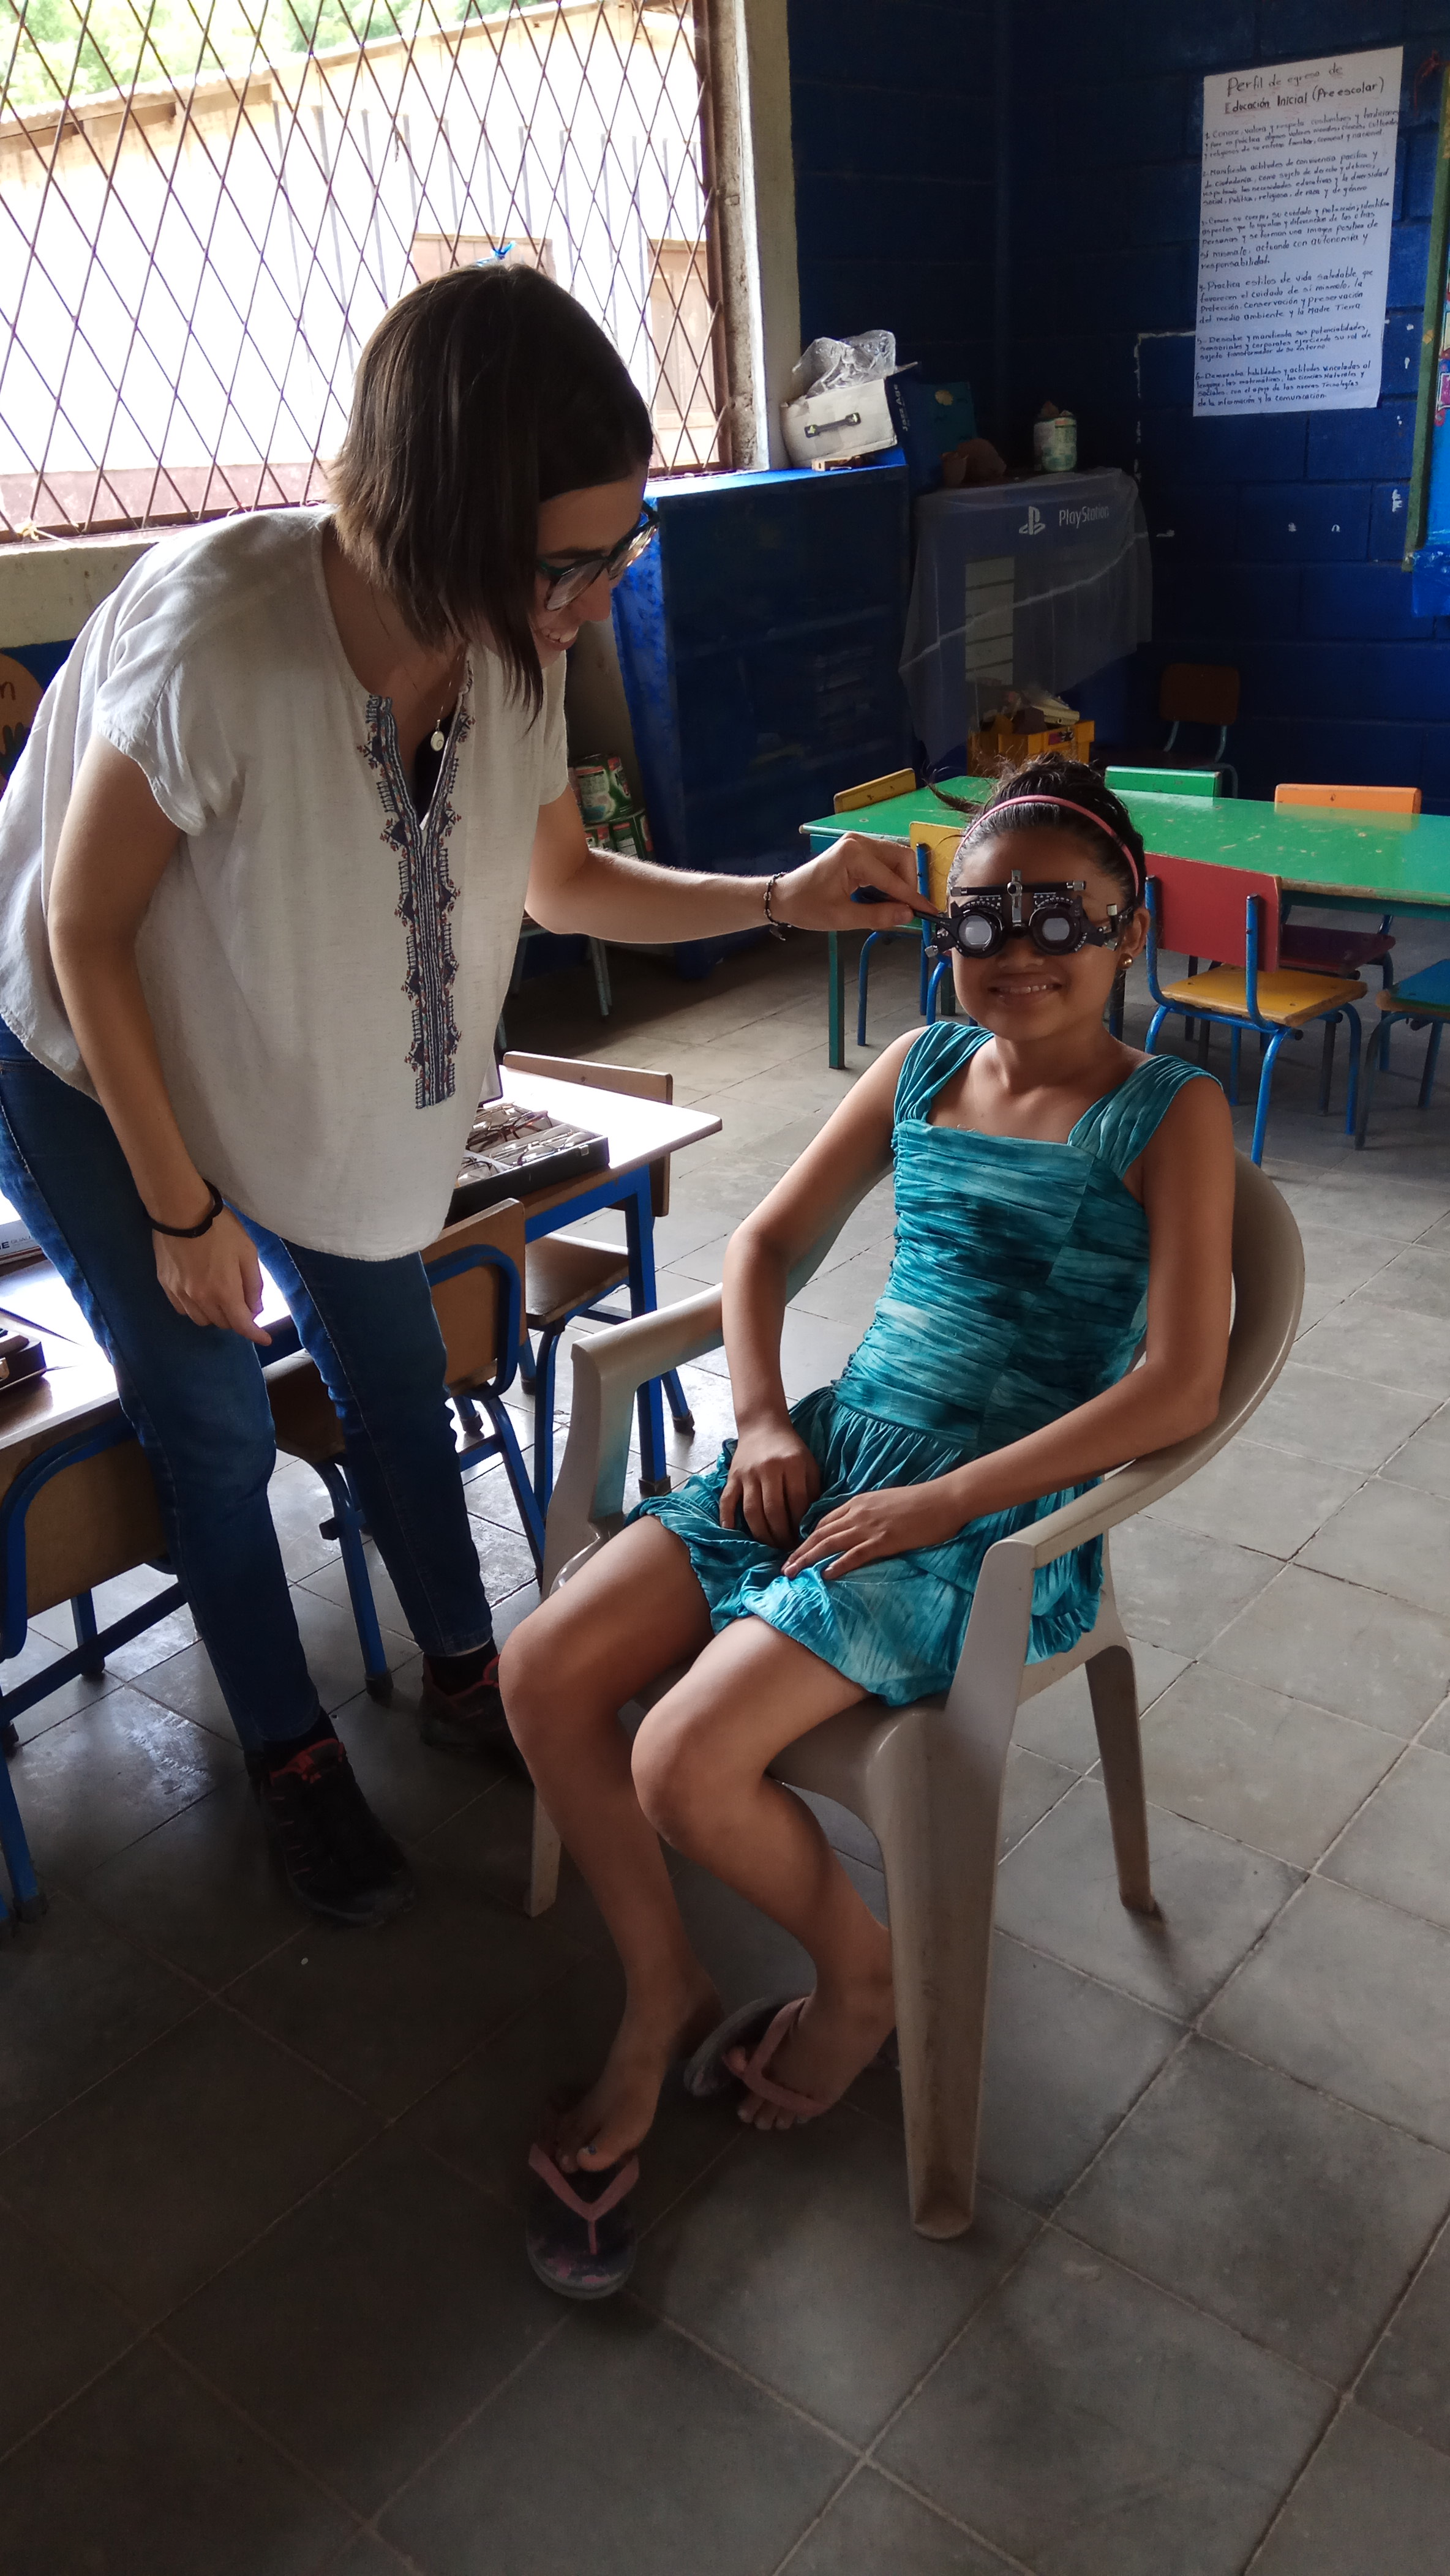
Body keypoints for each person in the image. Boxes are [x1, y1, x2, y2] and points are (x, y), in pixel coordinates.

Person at [0, 264, 921, 1929]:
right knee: (212, 1411)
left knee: (393, 1354)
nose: (594, 600)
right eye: (564, 565)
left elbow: (562, 882)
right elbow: (83, 930)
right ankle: (287, 1748)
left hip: (265, 1028)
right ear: (435, 525)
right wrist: (182, 1207)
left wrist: (778, 899)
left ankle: (460, 1666)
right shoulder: (223, 634)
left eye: (618, 552)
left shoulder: (511, 641)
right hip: (85, 1046)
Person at [502, 756, 1236, 2297]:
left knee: (679, 1760)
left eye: (1060, 918)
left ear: (1128, 927)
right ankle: (662, 1984)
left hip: (989, 1515)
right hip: (836, 1451)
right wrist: (765, 1416)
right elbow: (763, 1245)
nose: (1018, 950)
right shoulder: (919, 1063)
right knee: (544, 1668)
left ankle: (860, 1977)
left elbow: (1177, 1384)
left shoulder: (1165, 1110)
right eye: (981, 919)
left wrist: (947, 1501)